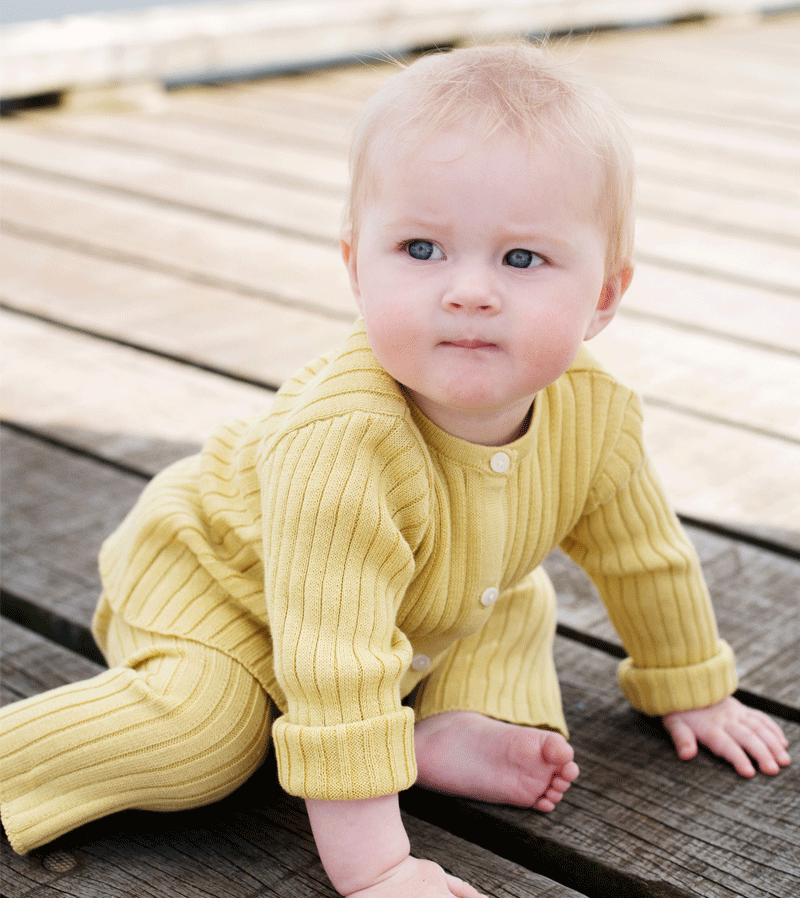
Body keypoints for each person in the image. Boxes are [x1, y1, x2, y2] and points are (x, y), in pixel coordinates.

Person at [0, 42, 790, 898]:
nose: (469, 292)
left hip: (413, 596)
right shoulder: (342, 442)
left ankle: (436, 732)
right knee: (203, 739)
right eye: (421, 249)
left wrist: (691, 688)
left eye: (522, 259)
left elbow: (646, 558)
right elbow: (335, 662)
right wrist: (378, 866)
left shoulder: (596, 416)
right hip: (225, 588)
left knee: (510, 595)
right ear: (355, 267)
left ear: (603, 296)